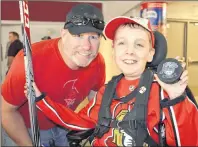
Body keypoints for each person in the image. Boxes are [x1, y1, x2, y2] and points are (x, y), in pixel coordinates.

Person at [29, 16, 198, 146]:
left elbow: (188, 142)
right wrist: (41, 100)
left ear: (151, 53)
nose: (129, 51)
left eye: (139, 45)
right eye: (122, 43)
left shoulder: (163, 90)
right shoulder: (107, 90)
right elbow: (79, 121)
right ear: (113, 50)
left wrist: (176, 98)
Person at [1, 3, 105, 146]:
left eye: (93, 37)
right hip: (25, 128)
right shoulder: (30, 61)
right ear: (63, 33)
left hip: (62, 125)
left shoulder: (97, 63)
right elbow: (6, 112)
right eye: (79, 35)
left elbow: (95, 102)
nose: (87, 46)